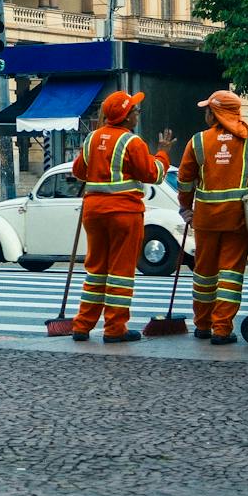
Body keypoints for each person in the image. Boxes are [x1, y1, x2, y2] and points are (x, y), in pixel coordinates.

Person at [67, 91, 172, 344]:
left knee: (96, 270)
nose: (137, 114)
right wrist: (163, 153)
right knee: (120, 272)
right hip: (124, 212)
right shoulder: (132, 142)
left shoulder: (92, 138)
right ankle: (115, 329)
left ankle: (82, 325)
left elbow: (78, 170)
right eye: (135, 111)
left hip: (93, 212)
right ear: (126, 117)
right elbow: (154, 174)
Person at [175, 90, 248, 345]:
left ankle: (202, 325)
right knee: (231, 274)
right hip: (237, 219)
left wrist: (186, 207)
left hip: (206, 219)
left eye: (208, 110)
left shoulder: (198, 141)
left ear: (216, 113)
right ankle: (221, 330)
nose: (206, 115)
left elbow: (185, 180)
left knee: (204, 273)